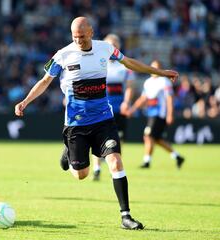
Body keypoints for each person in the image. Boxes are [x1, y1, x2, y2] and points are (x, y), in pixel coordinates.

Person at [15, 16, 179, 230]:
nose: (79, 41)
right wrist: (25, 101)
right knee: (81, 175)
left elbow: (129, 63)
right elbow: (45, 81)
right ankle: (68, 148)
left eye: (82, 36)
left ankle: (126, 217)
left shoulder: (106, 49)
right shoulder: (62, 55)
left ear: (91, 32)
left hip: (104, 120)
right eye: (75, 37)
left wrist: (160, 73)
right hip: (76, 124)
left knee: (116, 162)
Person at [126, 60, 185, 169]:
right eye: (153, 67)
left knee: (148, 136)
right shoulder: (147, 82)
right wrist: (132, 109)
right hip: (151, 112)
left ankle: (147, 161)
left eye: (157, 67)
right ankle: (177, 157)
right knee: (156, 139)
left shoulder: (164, 81)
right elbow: (143, 98)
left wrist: (170, 114)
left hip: (159, 114)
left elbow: (169, 98)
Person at [92, 33, 135, 181]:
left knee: (119, 139)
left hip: (119, 109)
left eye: (115, 45)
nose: (113, 48)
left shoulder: (124, 66)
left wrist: (126, 102)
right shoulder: (98, 64)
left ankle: (115, 168)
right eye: (110, 45)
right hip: (102, 108)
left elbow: (129, 87)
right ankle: (97, 169)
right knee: (98, 138)